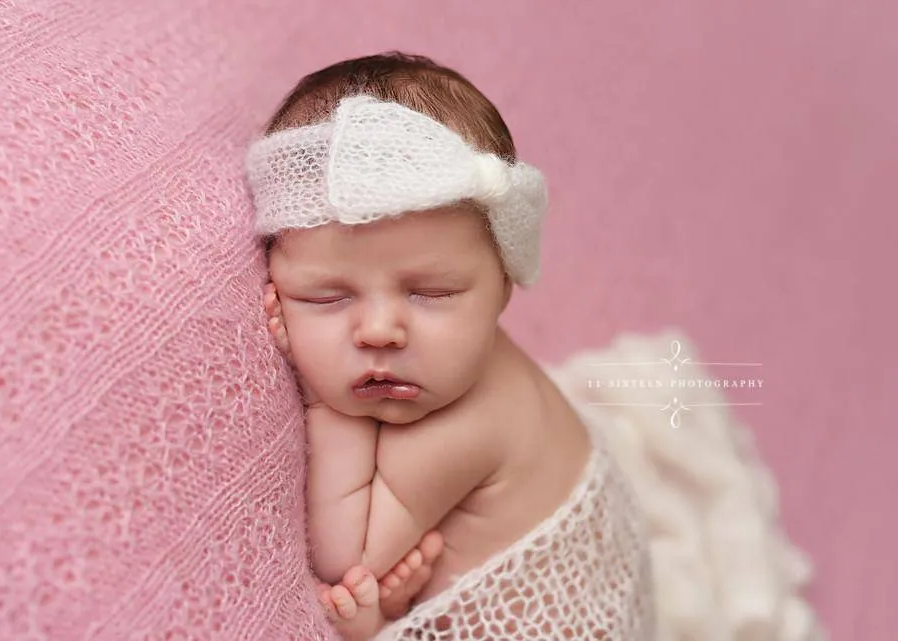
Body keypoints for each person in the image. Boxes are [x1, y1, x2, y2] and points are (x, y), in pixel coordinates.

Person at [247, 52, 654, 640]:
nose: (379, 331)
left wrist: (322, 401)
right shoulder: (449, 366)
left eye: (432, 293)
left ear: (503, 286)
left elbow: (345, 557)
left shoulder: (468, 424)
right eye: (327, 297)